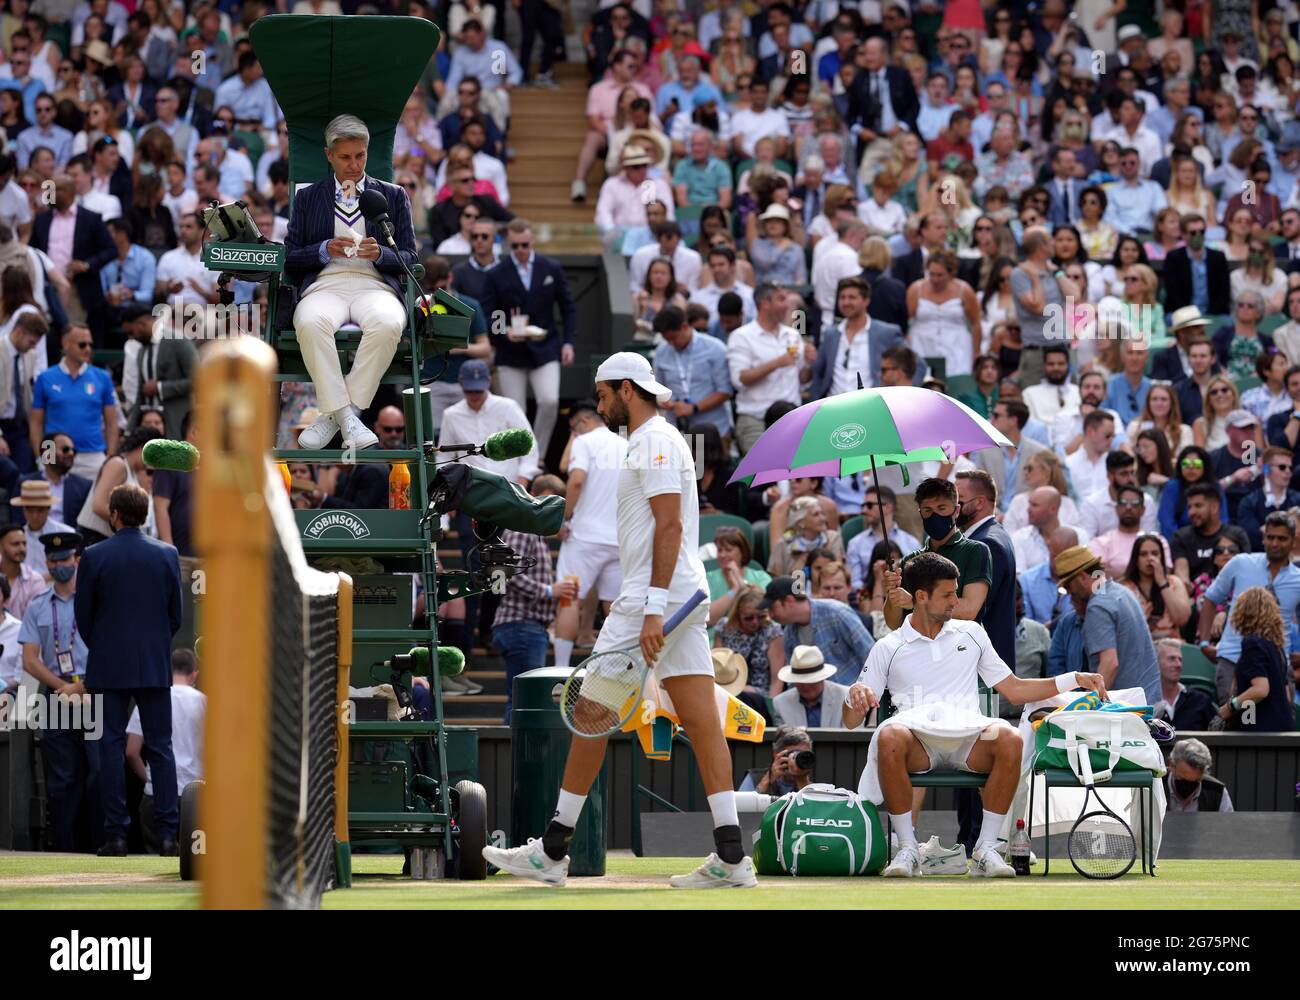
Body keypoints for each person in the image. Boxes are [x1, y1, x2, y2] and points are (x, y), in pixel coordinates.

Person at [483, 352, 759, 889]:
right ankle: (731, 855)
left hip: (655, 602)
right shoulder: (654, 439)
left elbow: (670, 527)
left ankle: (553, 850)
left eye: (603, 393)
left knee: (591, 712)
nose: (598, 404)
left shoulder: (654, 439)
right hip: (678, 597)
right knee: (701, 722)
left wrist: (652, 605)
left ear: (627, 389)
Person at [844, 551, 1109, 878]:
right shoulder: (888, 646)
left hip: (968, 740)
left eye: (957, 591)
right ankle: (908, 848)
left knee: (1009, 738)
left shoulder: (972, 633)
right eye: (948, 594)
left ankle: (986, 848)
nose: (957, 600)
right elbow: (850, 720)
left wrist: (1074, 678)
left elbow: (1014, 689)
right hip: (916, 743)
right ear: (922, 597)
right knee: (888, 735)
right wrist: (853, 693)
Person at [286, 115, 417, 451]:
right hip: (325, 284)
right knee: (310, 321)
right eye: (345, 157)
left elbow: (410, 258)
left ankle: (337, 415)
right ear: (329, 155)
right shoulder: (307, 197)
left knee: (389, 323)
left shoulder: (393, 194)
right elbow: (289, 257)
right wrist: (322, 249)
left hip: (374, 285)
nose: (353, 164)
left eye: (360, 156)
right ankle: (348, 419)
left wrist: (382, 256)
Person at [74, 483, 181, 855]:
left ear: (114, 515)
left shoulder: (93, 556)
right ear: (146, 515)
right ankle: (169, 834)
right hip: (153, 664)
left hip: (108, 665)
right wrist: (150, 647)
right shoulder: (167, 555)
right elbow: (175, 617)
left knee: (109, 748)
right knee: (161, 748)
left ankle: (116, 836)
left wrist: (105, 647)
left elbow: (83, 617)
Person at [20, 530, 98, 851]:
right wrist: (64, 687)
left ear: (77, 560)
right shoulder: (38, 605)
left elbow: (108, 646)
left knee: (98, 772)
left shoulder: (94, 599)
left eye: (64, 559)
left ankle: (100, 845)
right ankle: (65, 848)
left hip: (94, 694)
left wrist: (83, 687)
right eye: (52, 561)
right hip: (56, 696)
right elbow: (29, 660)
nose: (58, 565)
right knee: (62, 779)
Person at [551, 399, 626, 669]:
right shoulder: (626, 444)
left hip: (584, 537)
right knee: (615, 608)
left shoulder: (585, 442)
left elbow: (576, 480)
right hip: (620, 538)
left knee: (570, 599)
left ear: (582, 423)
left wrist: (563, 518)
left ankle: (560, 669)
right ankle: (619, 669)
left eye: (573, 429)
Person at [1200, 511, 1300, 705]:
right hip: (1233, 660)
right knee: (1233, 726)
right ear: (1263, 538)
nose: (1275, 543)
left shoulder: (1298, 579)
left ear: (1293, 541)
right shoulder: (1241, 563)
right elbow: (1210, 599)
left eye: (1281, 538)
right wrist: (1204, 642)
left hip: (1277, 663)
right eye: (1270, 537)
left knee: (1278, 728)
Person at [1053, 544, 1161, 703]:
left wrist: (1089, 707)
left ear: (1082, 577)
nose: (1069, 593)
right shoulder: (1122, 592)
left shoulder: (1098, 606)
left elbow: (1109, 664)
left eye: (1068, 586)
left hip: (1130, 710)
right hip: (1147, 702)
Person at [126, 647, 204, 853]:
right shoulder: (204, 702)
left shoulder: (150, 701)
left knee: (154, 863)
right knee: (196, 862)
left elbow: (132, 752)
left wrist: (151, 779)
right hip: (195, 794)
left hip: (155, 796)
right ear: (194, 673)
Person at [725, 282, 803, 453]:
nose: (788, 305)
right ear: (765, 303)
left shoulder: (793, 334)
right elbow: (740, 380)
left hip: (791, 417)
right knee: (762, 475)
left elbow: (802, 378)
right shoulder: (741, 336)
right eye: (781, 299)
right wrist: (777, 363)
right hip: (756, 419)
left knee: (796, 474)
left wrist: (811, 363)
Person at [761, 574, 874, 688]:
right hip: (819, 704)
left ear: (789, 601)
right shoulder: (788, 635)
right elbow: (795, 681)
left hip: (856, 697)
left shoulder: (836, 612)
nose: (770, 615)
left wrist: (867, 694)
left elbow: (870, 654)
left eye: (772, 608)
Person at [651, 306, 733, 443]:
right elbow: (657, 388)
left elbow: (725, 391)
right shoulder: (662, 352)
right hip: (677, 431)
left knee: (704, 465)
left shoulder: (715, 348)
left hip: (712, 430)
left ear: (684, 326)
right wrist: (665, 401)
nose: (671, 344)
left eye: (673, 338)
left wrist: (693, 408)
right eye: (667, 340)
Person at [1218, 586, 1295, 732]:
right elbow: (1286, 696)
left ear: (1244, 612)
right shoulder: (1276, 648)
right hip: (1282, 729)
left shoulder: (1252, 643)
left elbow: (1260, 690)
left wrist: (1231, 707)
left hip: (1260, 732)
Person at [118, 301, 196, 434]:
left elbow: (198, 380)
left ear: (141, 324)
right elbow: (140, 394)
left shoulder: (179, 342)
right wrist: (129, 431)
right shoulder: (142, 351)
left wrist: (160, 387)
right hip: (149, 431)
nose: (131, 338)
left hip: (175, 427)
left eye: (131, 332)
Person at [1172, 483, 1252, 593]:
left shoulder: (1237, 534)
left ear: (1215, 507)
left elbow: (1246, 571)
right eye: (1189, 507)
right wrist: (1184, 586)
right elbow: (1181, 570)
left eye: (1198, 506)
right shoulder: (1181, 537)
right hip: (1195, 599)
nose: (1191, 512)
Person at [714, 582, 783, 700]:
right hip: (727, 691)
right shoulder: (724, 628)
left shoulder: (773, 631)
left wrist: (772, 708)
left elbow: (777, 680)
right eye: (748, 618)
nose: (755, 622)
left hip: (760, 696)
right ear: (737, 614)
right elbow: (716, 668)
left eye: (761, 616)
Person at [1162, 215, 1231, 317]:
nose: (1198, 236)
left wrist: (1210, 314)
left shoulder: (1218, 257)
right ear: (1184, 234)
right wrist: (1189, 315)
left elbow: (1224, 292)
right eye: (1193, 233)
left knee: (1227, 323)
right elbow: (1173, 293)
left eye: (1202, 232)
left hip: (1214, 313)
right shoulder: (1174, 258)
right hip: (1181, 313)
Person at [771, 645, 852, 729]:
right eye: (801, 682)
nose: (806, 686)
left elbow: (854, 737)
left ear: (823, 678)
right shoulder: (780, 703)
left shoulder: (846, 697)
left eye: (811, 681)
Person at [1238, 446, 1300, 548]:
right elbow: (1252, 537)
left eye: (1291, 468)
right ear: (1266, 469)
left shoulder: (1298, 499)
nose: (1288, 471)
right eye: (1282, 467)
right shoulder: (1249, 502)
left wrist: (1266, 530)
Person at [1153, 640, 1216, 732]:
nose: (1178, 664)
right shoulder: (1146, 702)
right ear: (1155, 662)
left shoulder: (1200, 701)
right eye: (1171, 659)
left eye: (1180, 659)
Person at [738, 725, 814, 796]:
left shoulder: (815, 788)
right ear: (777, 754)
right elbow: (740, 807)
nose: (799, 758)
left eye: (804, 754)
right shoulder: (755, 778)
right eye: (794, 753)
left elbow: (814, 809)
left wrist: (802, 781)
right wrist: (767, 780)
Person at [1166, 737, 1235, 812]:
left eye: (1195, 782)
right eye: (1182, 779)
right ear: (1172, 765)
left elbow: (1229, 822)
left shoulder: (1217, 792)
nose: (1188, 786)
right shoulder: (1156, 785)